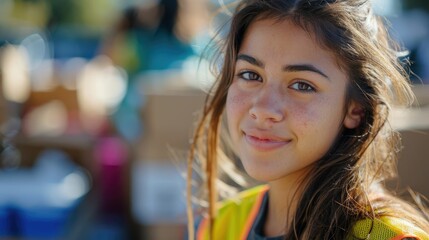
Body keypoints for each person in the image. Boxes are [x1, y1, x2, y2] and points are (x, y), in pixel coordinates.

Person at [186, 0, 429, 239]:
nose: (262, 109)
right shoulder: (218, 226)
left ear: (355, 110)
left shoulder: (387, 237)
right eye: (250, 74)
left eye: (302, 85)